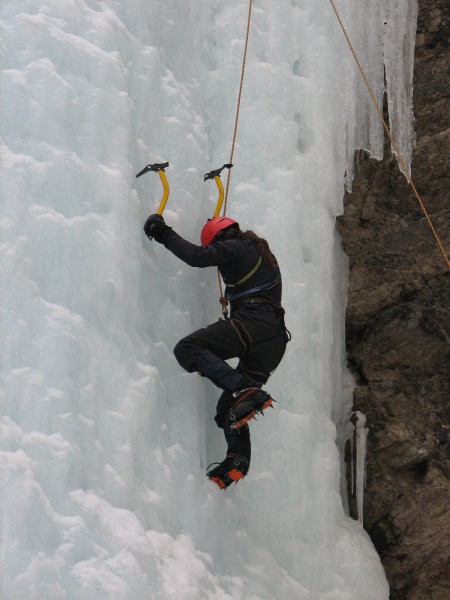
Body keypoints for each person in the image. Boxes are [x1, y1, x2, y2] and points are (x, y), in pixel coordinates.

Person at [144, 213, 290, 489]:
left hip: (253, 324)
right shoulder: (259, 251)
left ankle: (241, 388)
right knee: (228, 411)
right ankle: (237, 461)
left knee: (187, 348)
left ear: (219, 238)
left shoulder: (237, 246)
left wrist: (161, 231)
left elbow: (198, 256)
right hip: (273, 341)